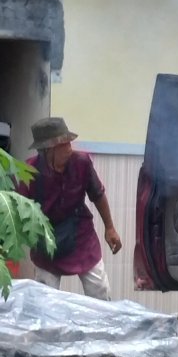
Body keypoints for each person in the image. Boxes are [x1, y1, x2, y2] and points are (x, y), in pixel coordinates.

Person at [22, 117, 121, 299]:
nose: (69, 148)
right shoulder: (29, 171)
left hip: (80, 233)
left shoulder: (82, 162)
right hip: (46, 238)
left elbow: (98, 194)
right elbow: (17, 207)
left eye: (69, 143)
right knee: (44, 297)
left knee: (99, 288)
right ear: (48, 150)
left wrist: (110, 228)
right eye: (63, 144)